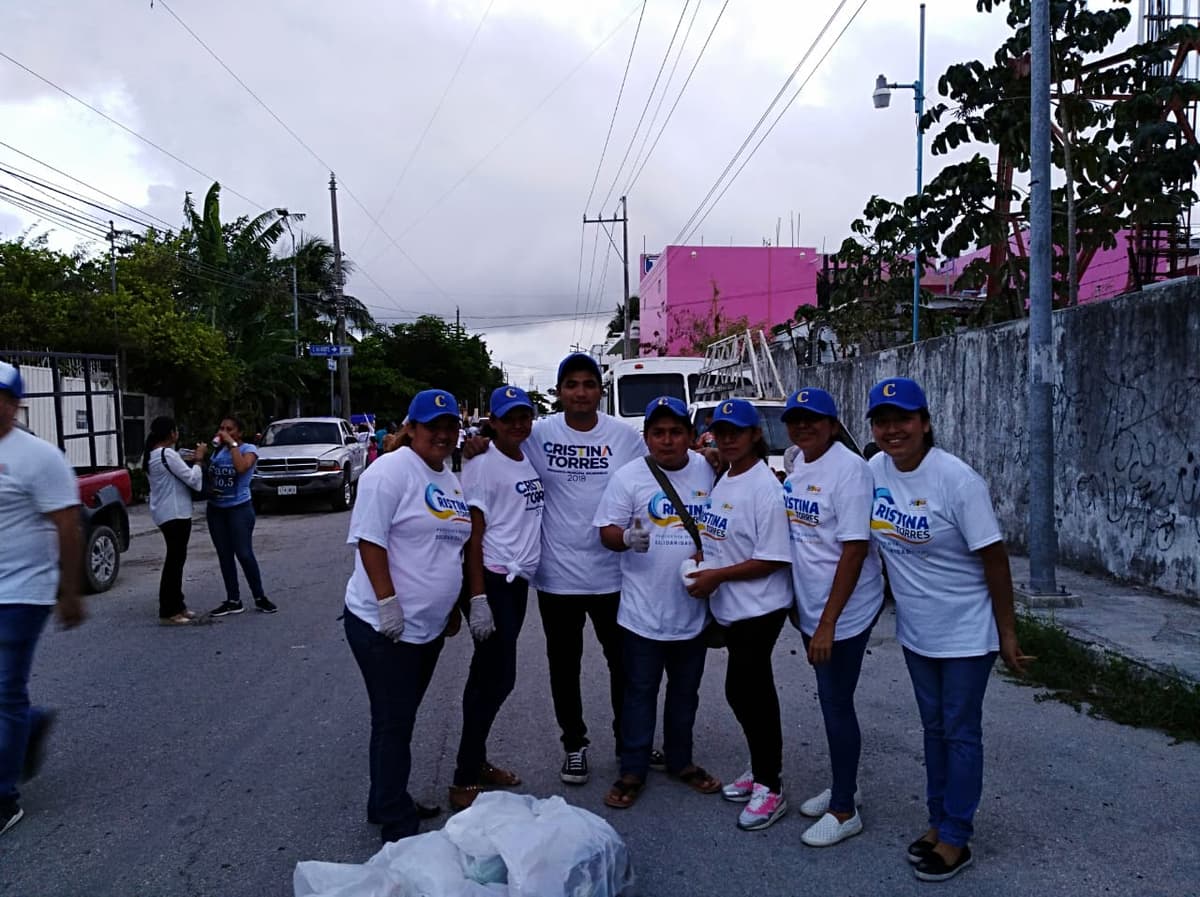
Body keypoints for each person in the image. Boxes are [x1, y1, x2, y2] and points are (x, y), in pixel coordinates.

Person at [866, 377, 1031, 882]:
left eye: (903, 419)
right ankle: (938, 820)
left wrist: (1007, 632)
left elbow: (995, 559)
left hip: (966, 632)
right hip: (917, 632)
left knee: (960, 732)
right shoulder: (873, 471)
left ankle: (957, 835)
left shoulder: (957, 481)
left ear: (925, 423)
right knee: (933, 729)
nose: (893, 430)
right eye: (882, 422)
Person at [502, 353, 643, 784]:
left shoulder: (624, 437)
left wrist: (706, 458)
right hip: (557, 577)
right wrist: (475, 445)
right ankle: (574, 745)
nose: (581, 393)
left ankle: (628, 741)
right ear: (560, 391)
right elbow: (501, 448)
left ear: (600, 390)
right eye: (571, 384)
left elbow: (657, 472)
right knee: (564, 667)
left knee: (624, 665)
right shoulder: (539, 434)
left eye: (589, 384)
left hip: (613, 575)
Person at [343, 389, 473, 843]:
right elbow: (369, 539)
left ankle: (385, 796)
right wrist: (387, 602)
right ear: (412, 428)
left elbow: (449, 548)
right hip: (383, 626)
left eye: (450, 426)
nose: (443, 434)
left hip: (426, 629)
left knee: (399, 717)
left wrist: (452, 608)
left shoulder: (448, 478)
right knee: (394, 720)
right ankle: (395, 819)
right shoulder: (390, 471)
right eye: (433, 426)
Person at [594, 396, 722, 810]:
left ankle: (681, 761)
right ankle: (632, 769)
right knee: (639, 693)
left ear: (690, 435)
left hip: (692, 611)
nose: (667, 440)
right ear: (646, 437)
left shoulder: (708, 469)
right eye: (658, 433)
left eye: (676, 432)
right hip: (641, 613)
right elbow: (606, 531)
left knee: (686, 693)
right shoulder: (628, 477)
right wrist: (625, 538)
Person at [780, 388, 884, 848]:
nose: (803, 427)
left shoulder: (850, 470)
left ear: (834, 424)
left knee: (836, 702)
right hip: (812, 605)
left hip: (844, 610)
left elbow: (855, 549)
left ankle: (845, 810)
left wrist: (827, 623)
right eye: (795, 420)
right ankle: (846, 783)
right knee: (830, 700)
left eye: (813, 419)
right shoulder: (800, 464)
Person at [684, 399, 793, 832]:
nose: (727, 439)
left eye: (737, 431)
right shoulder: (727, 478)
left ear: (755, 435)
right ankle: (761, 767)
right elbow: (721, 534)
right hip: (732, 607)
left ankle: (771, 786)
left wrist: (717, 575)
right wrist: (703, 558)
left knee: (750, 691)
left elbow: (773, 557)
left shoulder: (764, 488)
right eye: (721, 431)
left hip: (760, 606)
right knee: (744, 692)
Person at [0, 361, 85, 836]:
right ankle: (28, 725)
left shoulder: (38, 457)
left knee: (4, 691)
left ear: (14, 404)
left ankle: (3, 797)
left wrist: (69, 591)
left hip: (21, 592)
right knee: (5, 697)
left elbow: (67, 527)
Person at [449, 386, 544, 810]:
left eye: (524, 416)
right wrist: (477, 597)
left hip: (516, 582)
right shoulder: (482, 465)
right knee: (494, 677)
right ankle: (464, 776)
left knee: (492, 676)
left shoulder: (525, 457)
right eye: (508, 418)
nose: (518, 425)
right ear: (494, 421)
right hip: (492, 579)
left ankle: (476, 759)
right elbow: (474, 536)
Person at [206, 415, 276, 616]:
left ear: (239, 432)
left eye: (229, 429)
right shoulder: (218, 451)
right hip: (216, 509)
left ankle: (259, 597)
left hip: (239, 508)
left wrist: (232, 444)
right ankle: (233, 599)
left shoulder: (248, 449)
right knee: (224, 555)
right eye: (222, 428)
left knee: (244, 553)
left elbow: (241, 467)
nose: (224, 432)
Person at [143, 416, 208, 625]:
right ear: (171, 433)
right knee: (175, 561)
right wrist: (198, 460)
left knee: (176, 559)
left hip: (165, 512)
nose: (177, 433)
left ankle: (178, 605)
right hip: (176, 513)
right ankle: (169, 609)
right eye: (176, 430)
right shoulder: (167, 454)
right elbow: (193, 480)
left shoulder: (152, 454)